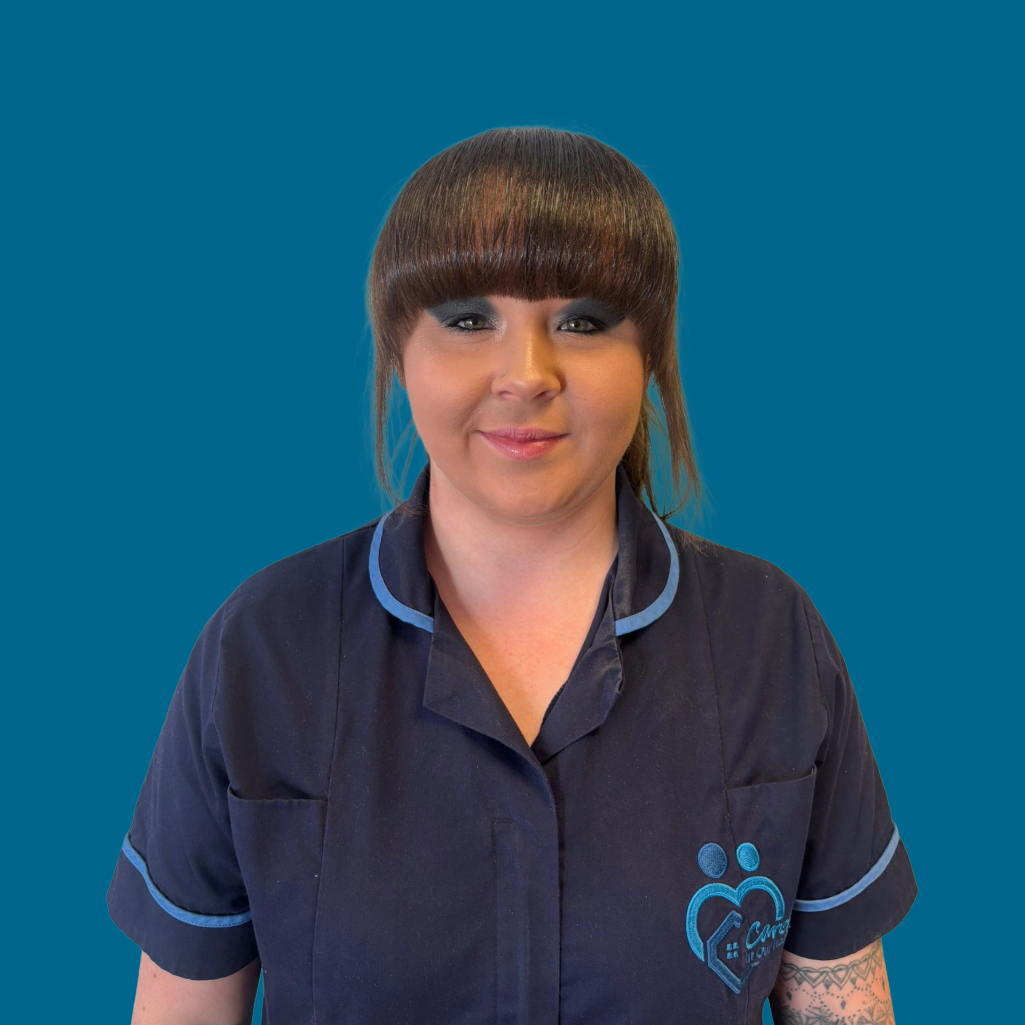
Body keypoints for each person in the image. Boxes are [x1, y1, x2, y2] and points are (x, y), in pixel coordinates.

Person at [107, 127, 917, 1025]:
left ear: (648, 354)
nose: (527, 375)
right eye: (467, 320)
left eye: (583, 321)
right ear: (399, 350)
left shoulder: (771, 639)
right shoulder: (262, 647)